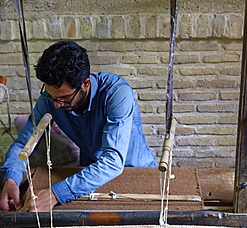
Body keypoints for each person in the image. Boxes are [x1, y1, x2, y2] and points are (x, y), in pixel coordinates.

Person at [0, 41, 157, 212]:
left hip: (136, 173)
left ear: (86, 83)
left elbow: (112, 161)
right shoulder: (50, 99)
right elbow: (23, 145)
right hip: (87, 176)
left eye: (64, 98)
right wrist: (11, 179)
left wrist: (54, 194)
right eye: (51, 96)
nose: (57, 105)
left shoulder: (117, 93)